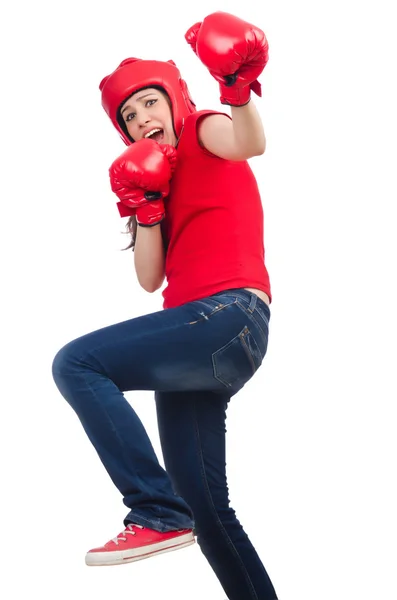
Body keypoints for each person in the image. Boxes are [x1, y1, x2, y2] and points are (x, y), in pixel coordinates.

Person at [52, 10, 278, 600]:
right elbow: (149, 280)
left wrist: (236, 91)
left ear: (173, 101)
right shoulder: (152, 183)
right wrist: (147, 208)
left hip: (229, 317)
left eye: (149, 104)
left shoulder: (206, 130)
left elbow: (251, 140)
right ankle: (175, 516)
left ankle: (153, 508)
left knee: (76, 363)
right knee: (209, 516)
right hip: (194, 348)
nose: (141, 119)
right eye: (129, 116)